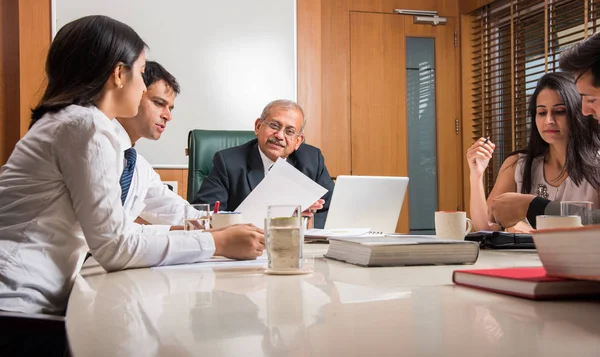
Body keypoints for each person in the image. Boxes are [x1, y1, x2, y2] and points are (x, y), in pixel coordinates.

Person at [0, 15, 264, 317]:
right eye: (140, 74)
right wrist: (214, 243)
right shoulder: (85, 127)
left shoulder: (74, 123)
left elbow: (122, 231)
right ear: (118, 75)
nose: (142, 89)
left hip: (34, 298)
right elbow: (115, 246)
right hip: (17, 304)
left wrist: (209, 235)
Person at [489, 33, 600, 228]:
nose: (585, 111)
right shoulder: (521, 164)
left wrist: (533, 207)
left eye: (591, 99)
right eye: (541, 112)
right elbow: (487, 224)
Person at [467, 72, 600, 232]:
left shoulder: (596, 165)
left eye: (559, 111)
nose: (549, 120)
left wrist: (532, 227)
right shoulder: (518, 164)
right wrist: (476, 175)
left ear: (578, 113)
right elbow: (485, 227)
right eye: (542, 113)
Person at [193, 99, 335, 228]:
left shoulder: (312, 159)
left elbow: (330, 208)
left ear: (298, 141)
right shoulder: (228, 162)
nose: (279, 135)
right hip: (245, 247)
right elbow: (206, 215)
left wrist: (305, 222)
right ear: (258, 126)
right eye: (274, 125)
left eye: (289, 131)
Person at [114, 60, 198, 231]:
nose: (168, 116)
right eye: (159, 103)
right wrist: (174, 232)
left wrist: (225, 223)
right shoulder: (96, 143)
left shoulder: (137, 166)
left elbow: (178, 211)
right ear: (133, 92)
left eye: (170, 108)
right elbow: (109, 231)